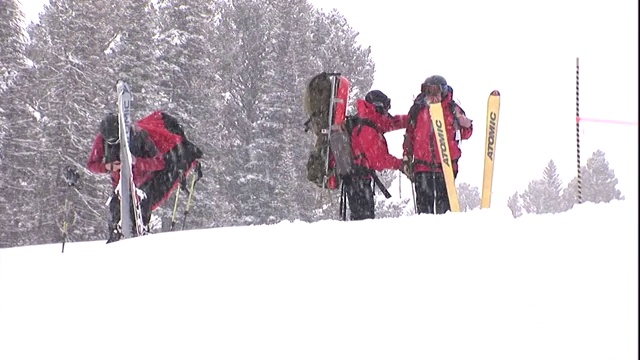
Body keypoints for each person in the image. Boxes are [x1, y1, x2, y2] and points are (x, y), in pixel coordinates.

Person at [87, 111, 202, 242]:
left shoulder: (140, 136)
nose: (114, 144)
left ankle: (139, 241)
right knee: (115, 218)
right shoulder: (102, 140)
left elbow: (159, 163)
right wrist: (109, 167)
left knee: (139, 217)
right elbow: (92, 164)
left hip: (143, 185)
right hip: (120, 186)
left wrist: (137, 162)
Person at [402, 75, 473, 214]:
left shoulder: (452, 109)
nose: (433, 97)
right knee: (424, 210)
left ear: (444, 92)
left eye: (436, 92)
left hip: (446, 166)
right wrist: (406, 158)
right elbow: (409, 136)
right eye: (428, 92)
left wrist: (465, 124)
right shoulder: (418, 110)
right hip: (422, 167)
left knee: (444, 209)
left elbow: (466, 133)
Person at [342, 90, 408, 220]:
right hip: (357, 181)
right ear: (378, 107)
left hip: (357, 180)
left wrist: (411, 118)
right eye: (386, 107)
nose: (387, 112)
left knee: (362, 218)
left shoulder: (369, 119)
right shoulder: (367, 129)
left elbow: (391, 122)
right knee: (363, 221)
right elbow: (379, 160)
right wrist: (401, 164)